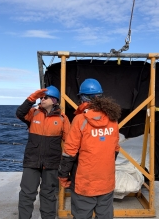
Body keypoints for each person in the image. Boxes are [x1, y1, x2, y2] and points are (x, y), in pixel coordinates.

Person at [58, 78, 121, 219]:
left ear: (82, 99)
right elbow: (115, 149)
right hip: (106, 181)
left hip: (84, 182)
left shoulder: (80, 120)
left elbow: (69, 152)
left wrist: (63, 175)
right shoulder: (113, 119)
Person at [16, 85, 70, 219]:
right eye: (41, 97)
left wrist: (66, 166)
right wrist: (31, 99)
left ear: (54, 100)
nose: (42, 99)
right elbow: (19, 113)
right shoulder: (33, 113)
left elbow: (69, 143)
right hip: (31, 162)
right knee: (27, 194)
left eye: (45, 97)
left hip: (51, 164)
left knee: (48, 194)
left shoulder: (63, 118)